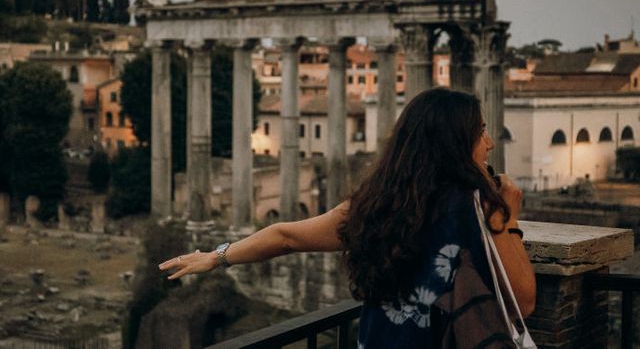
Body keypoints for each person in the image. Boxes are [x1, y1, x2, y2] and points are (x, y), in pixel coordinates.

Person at [159, 88, 536, 348]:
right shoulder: (480, 209)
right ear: (455, 141)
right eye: (482, 132)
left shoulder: (378, 206)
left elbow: (286, 237)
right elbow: (523, 302)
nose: (489, 143)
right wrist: (508, 216)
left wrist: (218, 256)